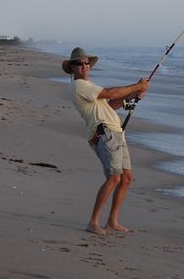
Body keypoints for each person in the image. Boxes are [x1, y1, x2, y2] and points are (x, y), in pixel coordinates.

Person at [62, 47, 149, 235]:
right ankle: (93, 222)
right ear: (72, 68)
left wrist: (132, 97)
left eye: (86, 62)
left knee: (126, 179)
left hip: (117, 133)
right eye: (79, 63)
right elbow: (110, 93)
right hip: (105, 134)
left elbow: (110, 105)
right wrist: (137, 86)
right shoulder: (79, 86)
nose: (84, 65)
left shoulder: (90, 88)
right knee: (114, 177)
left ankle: (112, 221)